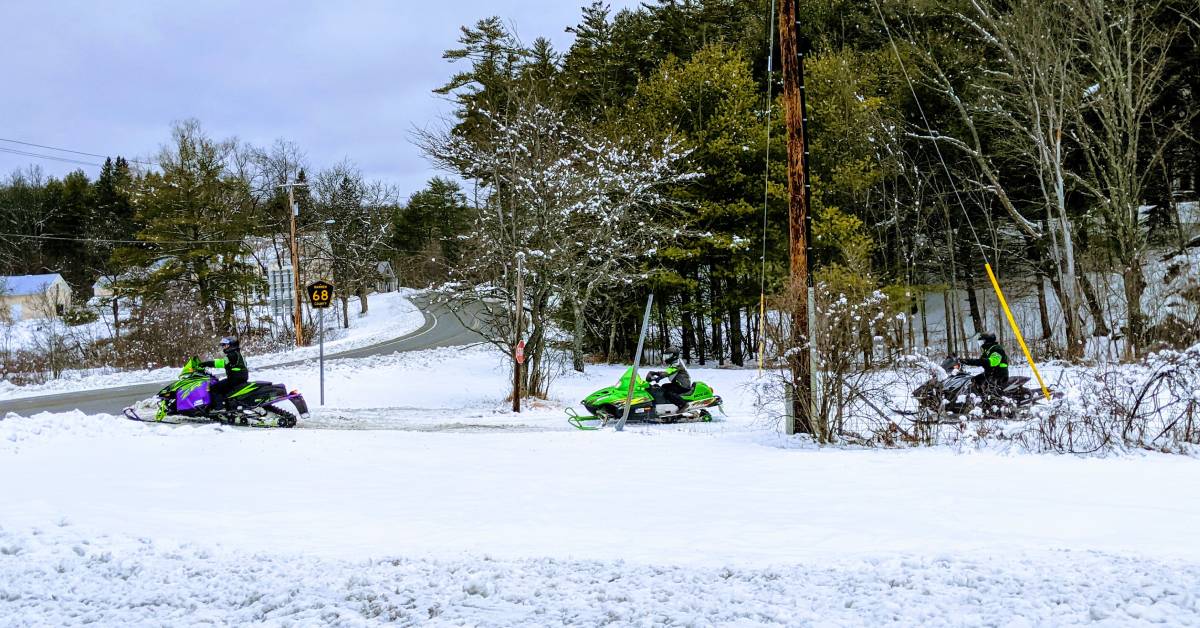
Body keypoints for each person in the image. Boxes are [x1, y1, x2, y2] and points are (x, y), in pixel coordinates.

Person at [200, 336, 249, 411]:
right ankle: (226, 404)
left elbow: (222, 363)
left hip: (235, 379)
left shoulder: (232, 355)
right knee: (222, 387)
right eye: (223, 345)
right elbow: (224, 363)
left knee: (214, 388)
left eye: (225, 345)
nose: (223, 347)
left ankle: (220, 408)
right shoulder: (237, 353)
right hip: (241, 378)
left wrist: (207, 363)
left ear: (231, 345)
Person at [960, 331, 1009, 396]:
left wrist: (983, 361)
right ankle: (976, 398)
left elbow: (993, 361)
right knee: (974, 380)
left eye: (982, 341)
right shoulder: (987, 351)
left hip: (999, 375)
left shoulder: (997, 348)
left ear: (988, 341)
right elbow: (979, 361)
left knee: (989, 391)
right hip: (990, 374)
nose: (981, 343)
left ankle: (995, 401)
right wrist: (967, 361)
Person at [648, 346, 692, 414]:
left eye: (669, 356)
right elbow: (668, 371)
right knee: (664, 387)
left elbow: (668, 372)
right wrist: (655, 373)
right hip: (678, 383)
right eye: (666, 356)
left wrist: (659, 377)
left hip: (683, 385)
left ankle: (683, 405)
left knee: (669, 393)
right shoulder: (675, 362)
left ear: (674, 356)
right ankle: (668, 405)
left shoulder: (677, 364)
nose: (667, 358)